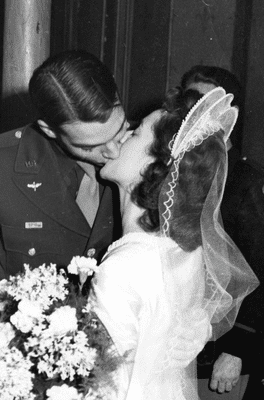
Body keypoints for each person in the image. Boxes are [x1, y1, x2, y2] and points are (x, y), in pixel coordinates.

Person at [0, 50, 128, 381]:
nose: (114, 152)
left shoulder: (146, 151)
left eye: (119, 130)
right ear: (49, 130)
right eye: (90, 147)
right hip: (37, 377)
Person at [90, 87, 259, 399]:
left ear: (154, 165)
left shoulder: (123, 267)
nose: (121, 138)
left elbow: (106, 388)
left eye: (136, 132)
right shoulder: (184, 252)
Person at [181, 65, 264, 399]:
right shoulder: (182, 171)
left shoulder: (247, 181)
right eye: (188, 100)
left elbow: (260, 266)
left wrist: (238, 348)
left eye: (202, 101)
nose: (192, 110)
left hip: (224, 356)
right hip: (183, 342)